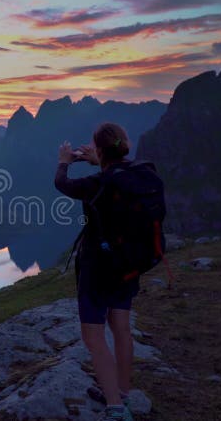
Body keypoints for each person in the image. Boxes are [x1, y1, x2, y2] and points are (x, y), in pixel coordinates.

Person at [54, 122, 138, 421]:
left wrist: (65, 162)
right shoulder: (137, 174)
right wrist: (99, 160)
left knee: (94, 336)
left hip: (97, 268)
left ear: (100, 150)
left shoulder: (97, 183)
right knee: (122, 328)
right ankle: (124, 395)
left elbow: (62, 185)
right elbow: (114, 173)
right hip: (129, 264)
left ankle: (115, 409)